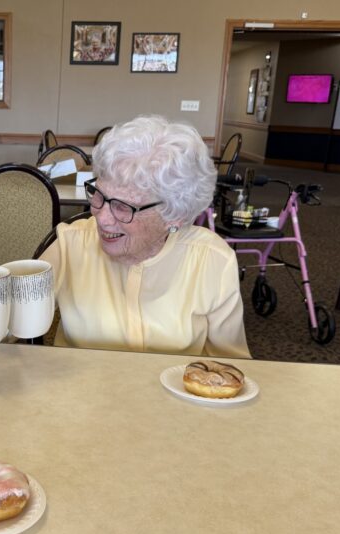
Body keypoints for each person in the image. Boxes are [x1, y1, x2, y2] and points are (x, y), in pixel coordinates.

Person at [40, 115, 250, 358]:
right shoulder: (71, 243)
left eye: (123, 207)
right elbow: (9, 319)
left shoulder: (212, 260)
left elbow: (231, 364)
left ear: (175, 215)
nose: (101, 217)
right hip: (78, 391)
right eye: (98, 196)